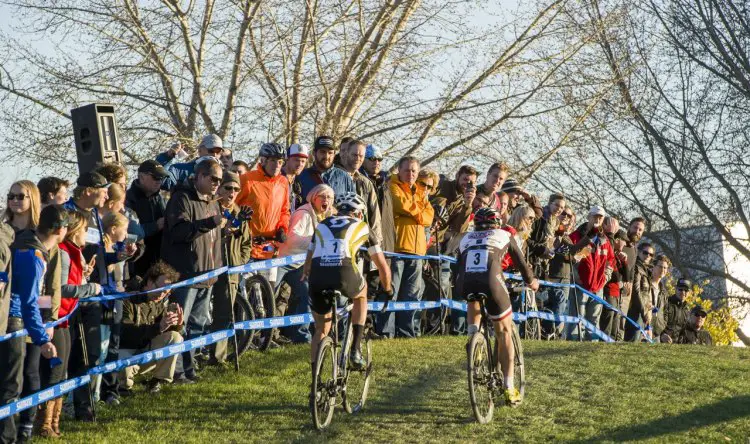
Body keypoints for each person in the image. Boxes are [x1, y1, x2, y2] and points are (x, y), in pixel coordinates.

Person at [456, 207, 539, 405]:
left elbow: (458, 265)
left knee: (473, 299)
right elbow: (521, 264)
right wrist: (532, 282)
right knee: (504, 332)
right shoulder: (504, 234)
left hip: (464, 282)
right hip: (492, 283)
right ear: (497, 223)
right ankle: (509, 387)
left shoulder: (465, 238)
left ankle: (473, 339)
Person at [303, 192, 393, 369]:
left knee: (321, 329)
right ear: (359, 213)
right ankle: (355, 350)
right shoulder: (362, 225)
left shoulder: (322, 224)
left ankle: (315, 380)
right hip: (344, 272)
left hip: (318, 276)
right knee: (362, 294)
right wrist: (388, 290)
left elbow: (307, 263)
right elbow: (383, 267)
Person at [0, 205, 67, 442]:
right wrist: (43, 338)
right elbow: (28, 301)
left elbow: (42, 293)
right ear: (60, 230)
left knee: (21, 381)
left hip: (22, 320)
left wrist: (46, 319)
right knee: (11, 386)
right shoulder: (32, 254)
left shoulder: (34, 247)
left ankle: (22, 431)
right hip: (14, 322)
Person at [162, 157, 223, 383]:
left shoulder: (213, 201)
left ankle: (190, 368)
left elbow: (214, 238)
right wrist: (210, 222)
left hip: (208, 274)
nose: (217, 183)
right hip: (186, 274)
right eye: (213, 178)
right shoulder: (181, 198)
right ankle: (176, 372)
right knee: (180, 324)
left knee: (197, 326)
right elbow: (179, 232)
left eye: (220, 180)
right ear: (199, 176)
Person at [42, 210, 100, 438]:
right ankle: (45, 423)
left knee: (62, 371)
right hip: (56, 319)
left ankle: (54, 422)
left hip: (66, 319)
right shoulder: (64, 253)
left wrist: (83, 275)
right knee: (55, 372)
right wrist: (90, 288)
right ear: (75, 231)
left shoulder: (75, 253)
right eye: (85, 229)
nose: (87, 233)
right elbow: (61, 289)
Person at [62, 171, 111, 421]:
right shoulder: (67, 212)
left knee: (90, 354)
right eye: (104, 189)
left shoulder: (95, 214)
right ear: (89, 190)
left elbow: (97, 251)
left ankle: (85, 406)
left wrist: (120, 255)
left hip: (93, 292)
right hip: (70, 297)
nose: (107, 194)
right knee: (71, 355)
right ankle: (69, 407)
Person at [376, 156, 434, 338]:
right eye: (407, 170)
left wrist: (414, 211)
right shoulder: (392, 186)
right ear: (399, 171)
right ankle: (386, 332)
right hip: (396, 249)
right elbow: (401, 205)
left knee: (411, 296)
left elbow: (429, 217)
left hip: (417, 251)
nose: (410, 174)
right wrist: (418, 212)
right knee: (390, 292)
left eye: (414, 171)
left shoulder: (420, 191)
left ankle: (406, 333)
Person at [277, 184, 336, 344]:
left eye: (329, 198)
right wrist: (316, 240)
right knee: (271, 296)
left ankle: (301, 335)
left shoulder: (323, 216)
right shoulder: (303, 213)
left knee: (308, 294)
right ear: (314, 198)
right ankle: (263, 335)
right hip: (282, 260)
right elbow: (292, 239)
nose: (326, 201)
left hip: (299, 264)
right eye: (322, 197)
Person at [119, 261, 184, 393]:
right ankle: (123, 387)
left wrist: (176, 325)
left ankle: (156, 381)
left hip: (145, 351)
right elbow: (125, 335)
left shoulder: (161, 302)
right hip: (126, 350)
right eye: (158, 289)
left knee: (176, 337)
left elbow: (162, 333)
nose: (161, 295)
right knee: (122, 357)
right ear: (149, 281)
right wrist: (158, 327)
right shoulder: (128, 298)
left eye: (166, 293)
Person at [209, 171, 252, 365]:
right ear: (219, 188)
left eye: (236, 189)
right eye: (228, 187)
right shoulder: (210, 208)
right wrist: (223, 232)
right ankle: (190, 358)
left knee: (224, 314)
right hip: (209, 268)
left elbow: (246, 243)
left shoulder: (239, 212)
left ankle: (218, 357)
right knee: (200, 315)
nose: (232, 192)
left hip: (231, 271)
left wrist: (239, 263)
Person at [568, 206, 615, 340]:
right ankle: (571, 348)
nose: (597, 219)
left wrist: (605, 277)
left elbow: (611, 261)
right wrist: (576, 278)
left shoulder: (605, 241)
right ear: (588, 217)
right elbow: (569, 258)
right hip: (580, 286)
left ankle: (590, 350)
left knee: (593, 321)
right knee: (577, 320)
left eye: (600, 217)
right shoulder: (576, 236)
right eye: (594, 216)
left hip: (598, 288)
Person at [536, 207, 575, 339]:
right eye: (564, 213)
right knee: (554, 302)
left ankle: (554, 333)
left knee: (561, 306)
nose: (566, 217)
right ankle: (547, 331)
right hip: (551, 275)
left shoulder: (566, 236)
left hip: (565, 276)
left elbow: (573, 254)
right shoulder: (550, 231)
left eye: (569, 216)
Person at [126, 160, 169, 276]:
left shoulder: (159, 198)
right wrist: (156, 226)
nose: (159, 182)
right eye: (156, 177)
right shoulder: (128, 199)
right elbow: (128, 233)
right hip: (138, 265)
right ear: (141, 177)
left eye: (161, 178)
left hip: (160, 262)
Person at [340, 140, 382, 246]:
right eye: (354, 155)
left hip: (361, 242)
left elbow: (375, 217)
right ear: (346, 154)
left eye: (361, 156)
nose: (358, 159)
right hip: (339, 238)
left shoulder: (366, 183)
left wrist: (376, 243)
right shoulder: (334, 177)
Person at [295, 135, 355, 199]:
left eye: (330, 153)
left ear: (334, 154)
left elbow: (353, 204)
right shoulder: (301, 176)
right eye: (322, 152)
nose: (326, 157)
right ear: (314, 153)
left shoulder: (344, 177)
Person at [157, 135, 224, 191]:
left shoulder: (225, 175)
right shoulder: (181, 170)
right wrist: (168, 156)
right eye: (211, 151)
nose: (214, 155)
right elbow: (162, 181)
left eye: (218, 152)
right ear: (200, 150)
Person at [618, 217, 647, 340]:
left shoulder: (634, 249)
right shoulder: (620, 241)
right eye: (635, 227)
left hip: (626, 293)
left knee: (621, 325)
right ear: (629, 227)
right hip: (614, 287)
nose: (637, 231)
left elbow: (631, 270)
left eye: (640, 230)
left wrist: (629, 282)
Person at [599, 228, 629, 339]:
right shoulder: (609, 253)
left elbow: (627, 277)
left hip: (617, 294)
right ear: (616, 240)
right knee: (607, 323)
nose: (625, 243)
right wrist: (620, 280)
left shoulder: (619, 256)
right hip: (609, 292)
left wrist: (625, 262)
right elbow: (615, 277)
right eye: (624, 240)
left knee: (615, 325)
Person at [624, 243, 656, 342]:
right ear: (639, 252)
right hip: (635, 310)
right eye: (645, 253)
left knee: (637, 341)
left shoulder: (646, 270)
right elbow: (636, 291)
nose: (648, 256)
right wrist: (644, 312)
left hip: (642, 310)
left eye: (651, 255)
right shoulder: (637, 267)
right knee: (632, 341)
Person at [660, 278, 692, 344]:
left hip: (677, 347)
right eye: (680, 289)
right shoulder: (666, 303)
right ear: (675, 289)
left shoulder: (687, 310)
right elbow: (656, 321)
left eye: (686, 290)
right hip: (661, 342)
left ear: (690, 293)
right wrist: (661, 335)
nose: (683, 292)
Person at [283, 143, 309, 211]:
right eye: (296, 160)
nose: (300, 164)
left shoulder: (300, 181)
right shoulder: (276, 178)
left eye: (303, 161)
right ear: (287, 159)